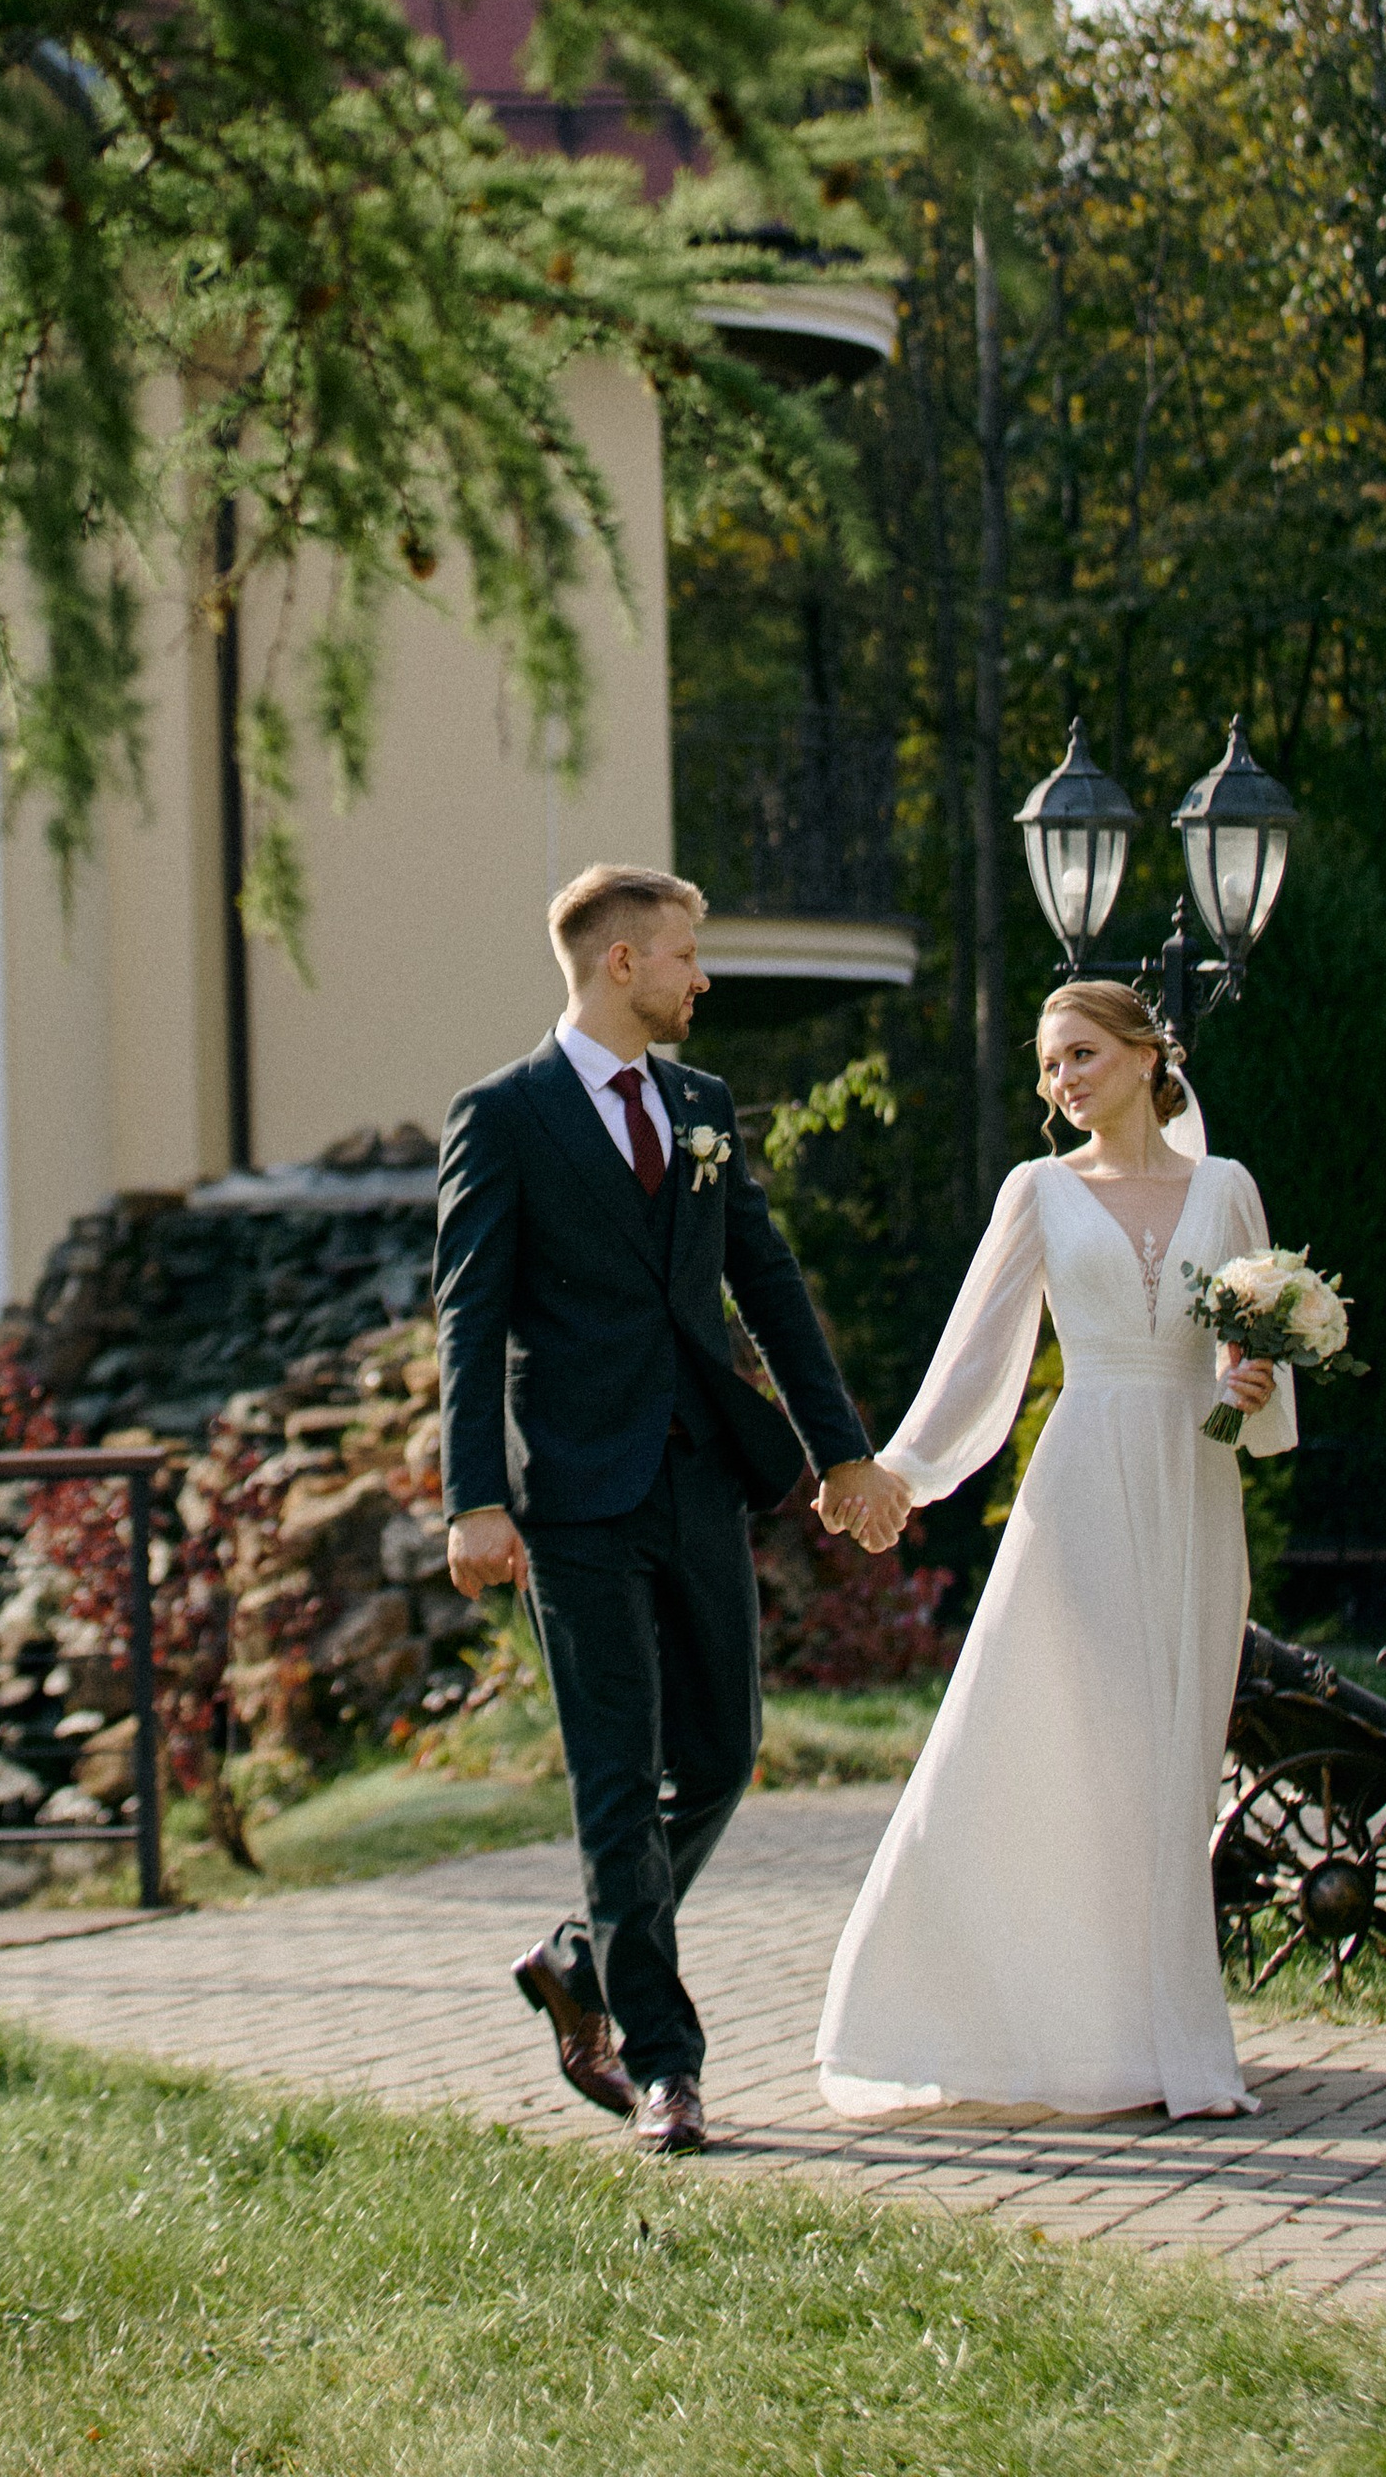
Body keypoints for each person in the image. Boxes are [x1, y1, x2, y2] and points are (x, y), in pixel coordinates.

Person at [434, 864, 910, 2158]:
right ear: (622, 965)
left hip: (699, 1472)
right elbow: (470, 1322)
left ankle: (580, 1958)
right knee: (611, 1778)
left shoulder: (702, 1108)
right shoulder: (505, 1117)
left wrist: (843, 1453)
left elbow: (765, 1276)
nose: (706, 978)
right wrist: (473, 1498)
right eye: (689, 955)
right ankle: (666, 2062)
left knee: (718, 1749)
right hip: (570, 1503)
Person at [813, 978, 1291, 2124]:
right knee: (1067, 1738)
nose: (1060, 1082)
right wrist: (900, 1472)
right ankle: (951, 2011)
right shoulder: (1036, 1191)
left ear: (1143, 1056)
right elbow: (975, 1357)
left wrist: (1258, 1387)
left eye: (1079, 1056)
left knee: (1175, 1757)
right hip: (1078, 1487)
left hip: (1192, 1483)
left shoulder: (1227, 1192)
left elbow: (1260, 1394)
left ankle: (1164, 2039)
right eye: (1047, 1066)